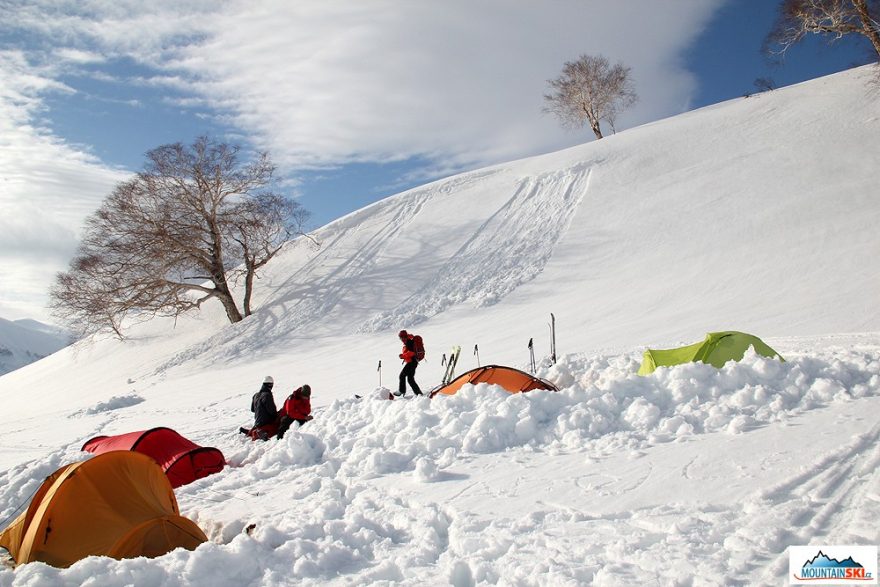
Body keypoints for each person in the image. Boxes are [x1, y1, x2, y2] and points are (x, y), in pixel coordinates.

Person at [239, 375, 279, 440]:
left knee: (259, 426)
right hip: (266, 422)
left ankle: (251, 432)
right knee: (277, 428)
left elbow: (253, 410)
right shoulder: (267, 395)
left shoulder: (256, 395)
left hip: (257, 422)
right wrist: (276, 416)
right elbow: (272, 411)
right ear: (270, 385)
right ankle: (260, 433)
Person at [395, 330, 423, 396]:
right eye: (400, 338)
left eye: (402, 337)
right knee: (410, 379)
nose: (401, 339)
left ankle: (401, 391)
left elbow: (411, 352)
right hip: (414, 362)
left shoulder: (409, 342)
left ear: (405, 336)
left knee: (402, 375)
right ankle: (418, 393)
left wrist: (402, 356)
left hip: (411, 362)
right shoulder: (409, 341)